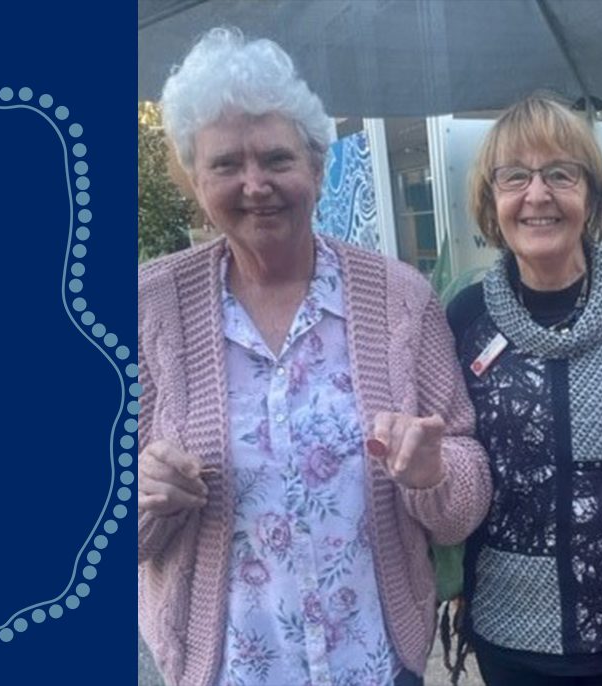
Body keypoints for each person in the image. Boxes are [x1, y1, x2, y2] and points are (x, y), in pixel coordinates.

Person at [137, 28, 490, 686]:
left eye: (276, 158)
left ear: (319, 168)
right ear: (194, 179)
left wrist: (433, 473)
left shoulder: (402, 299)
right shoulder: (146, 309)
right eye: (225, 165)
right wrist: (147, 494)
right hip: (228, 669)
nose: (254, 184)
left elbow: (465, 493)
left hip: (378, 664)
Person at [446, 95, 602, 685]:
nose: (537, 194)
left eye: (560, 173)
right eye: (514, 176)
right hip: (509, 627)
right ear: (490, 198)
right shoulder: (467, 316)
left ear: (593, 194)